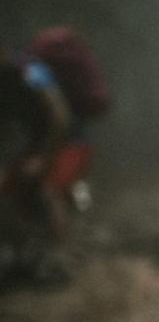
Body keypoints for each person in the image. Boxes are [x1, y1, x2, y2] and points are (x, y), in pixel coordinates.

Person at [0, 27, 108, 284]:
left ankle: (59, 262)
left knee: (51, 191)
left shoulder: (30, 71)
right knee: (7, 192)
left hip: (71, 143)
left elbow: (60, 117)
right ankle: (23, 255)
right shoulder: (7, 80)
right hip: (41, 146)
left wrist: (43, 160)